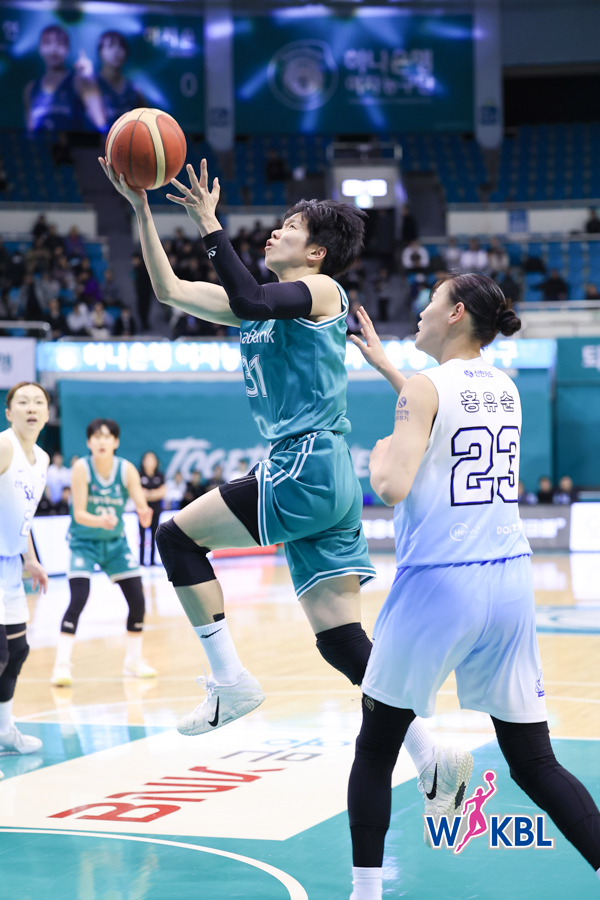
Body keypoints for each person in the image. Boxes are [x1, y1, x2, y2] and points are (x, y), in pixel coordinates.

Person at [99, 154, 472, 815]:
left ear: (317, 252)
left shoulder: (323, 292)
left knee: (176, 537)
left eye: (290, 227)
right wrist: (142, 211)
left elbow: (248, 296)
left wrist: (210, 223)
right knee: (341, 641)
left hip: (305, 464)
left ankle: (229, 679)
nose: (274, 232)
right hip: (324, 478)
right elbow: (170, 290)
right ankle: (431, 754)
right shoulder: (259, 306)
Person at [345, 276, 600, 899]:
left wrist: (378, 457)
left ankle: (365, 892)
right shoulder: (505, 388)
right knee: (534, 762)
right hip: (509, 581)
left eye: (431, 300)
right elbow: (445, 417)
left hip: (440, 582)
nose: (420, 309)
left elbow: (393, 485)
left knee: (376, 747)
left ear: (456, 313)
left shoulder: (427, 388)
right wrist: (388, 368)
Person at [50, 418, 156, 686]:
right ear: (88, 442)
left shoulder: (126, 469)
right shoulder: (81, 468)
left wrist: (144, 514)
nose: (101, 441)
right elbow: (79, 513)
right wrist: (101, 521)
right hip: (83, 543)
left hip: (115, 544)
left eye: (107, 436)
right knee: (78, 598)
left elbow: (141, 506)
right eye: (96, 437)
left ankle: (133, 660)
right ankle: (61, 666)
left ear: (116, 441)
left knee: (138, 600)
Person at [0, 382, 50, 770]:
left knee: (16, 652)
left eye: (38, 402)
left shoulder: (42, 459)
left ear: (47, 414)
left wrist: (30, 558)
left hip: (12, 568)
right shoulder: (4, 447)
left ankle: (4, 730)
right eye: (23, 402)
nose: (31, 407)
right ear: (8, 412)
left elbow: (24, 514)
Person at [24, 25, 105, 133]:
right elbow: (29, 129)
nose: (53, 50)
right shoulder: (31, 88)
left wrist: (89, 79)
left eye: (60, 44)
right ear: (40, 47)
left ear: (68, 48)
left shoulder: (78, 82)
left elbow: (100, 122)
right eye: (47, 43)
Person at [96, 31, 145, 130]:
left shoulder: (133, 89)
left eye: (121, 46)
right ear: (100, 52)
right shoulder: (90, 84)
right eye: (110, 46)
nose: (116, 51)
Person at [139, 451, 166, 567]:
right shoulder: (139, 475)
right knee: (142, 536)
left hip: (156, 510)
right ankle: (141, 561)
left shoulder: (160, 476)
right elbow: (138, 492)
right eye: (147, 459)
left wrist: (148, 493)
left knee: (155, 535)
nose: (150, 462)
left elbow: (163, 492)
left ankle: (152, 561)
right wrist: (154, 493)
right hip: (142, 511)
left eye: (152, 459)